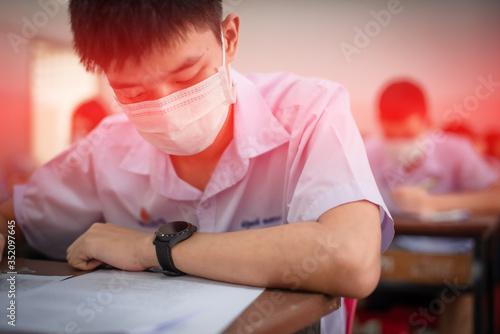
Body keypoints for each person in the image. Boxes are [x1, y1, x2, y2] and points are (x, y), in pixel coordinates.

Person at [0, 1, 394, 333]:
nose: (166, 109)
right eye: (133, 92)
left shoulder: (309, 112)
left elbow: (352, 261)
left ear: (230, 39)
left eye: (186, 75)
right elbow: (13, 222)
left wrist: (148, 249)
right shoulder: (106, 144)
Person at [364, 79, 499, 334]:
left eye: (408, 135)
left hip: (452, 261)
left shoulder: (456, 151)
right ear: (380, 124)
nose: (400, 143)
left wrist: (434, 204)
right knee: (341, 284)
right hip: (389, 259)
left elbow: (496, 199)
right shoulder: (368, 152)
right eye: (391, 135)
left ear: (427, 123)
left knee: (464, 290)